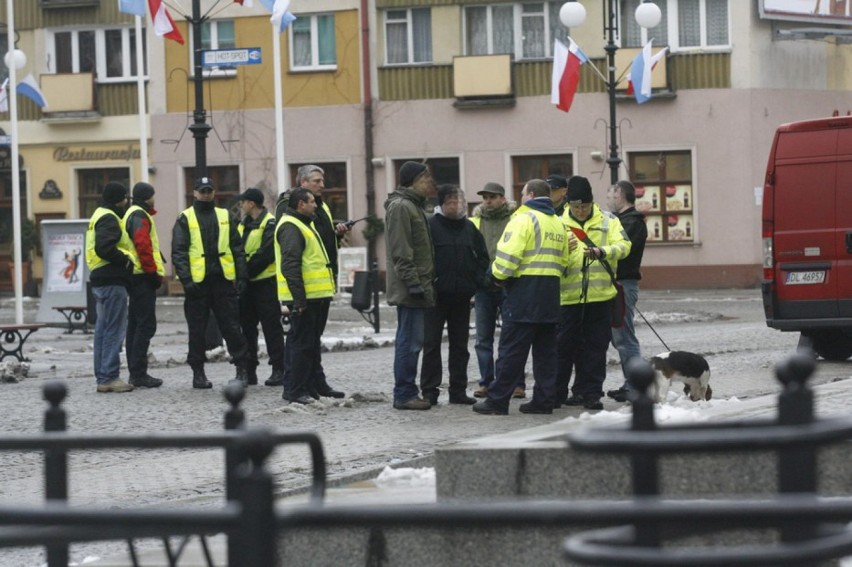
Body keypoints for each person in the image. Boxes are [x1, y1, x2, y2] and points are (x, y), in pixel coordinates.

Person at [472, 179, 577, 416]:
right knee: (546, 354)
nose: (519, 198)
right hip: (550, 293)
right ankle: (543, 400)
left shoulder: (523, 219)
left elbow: (508, 256)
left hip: (524, 292)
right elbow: (565, 261)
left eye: (522, 194)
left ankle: (497, 400)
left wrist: (496, 276)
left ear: (530, 195)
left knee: (512, 350)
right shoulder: (558, 223)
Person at [557, 176, 631, 410]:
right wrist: (561, 251)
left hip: (600, 297)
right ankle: (557, 393)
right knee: (563, 348)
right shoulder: (558, 223)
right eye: (576, 206)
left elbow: (625, 246)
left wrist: (603, 251)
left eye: (584, 206)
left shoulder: (609, 221)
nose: (580, 211)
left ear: (592, 203)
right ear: (568, 204)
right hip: (567, 299)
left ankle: (590, 393)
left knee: (595, 349)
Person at [171, 176, 250, 389]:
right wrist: (186, 280)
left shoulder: (224, 215)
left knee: (232, 327)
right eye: (202, 191)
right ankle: (198, 373)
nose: (206, 194)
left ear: (213, 193)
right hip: (198, 283)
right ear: (195, 193)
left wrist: (242, 276)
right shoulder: (185, 218)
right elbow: (179, 252)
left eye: (209, 190)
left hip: (223, 281)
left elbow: (237, 248)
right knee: (197, 330)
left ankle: (242, 369)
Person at [277, 165, 347, 397]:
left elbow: (320, 246)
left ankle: (314, 384)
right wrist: (298, 298)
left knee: (311, 342)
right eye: (317, 181)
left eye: (322, 180)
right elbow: (291, 260)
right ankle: (296, 388)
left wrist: (337, 235)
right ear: (303, 183)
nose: (322, 185)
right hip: (305, 291)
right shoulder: (291, 217)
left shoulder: (319, 208)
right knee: (301, 342)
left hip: (319, 288)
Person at [420, 184, 489, 406]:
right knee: (431, 345)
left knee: (460, 347)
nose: (456, 206)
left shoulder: (470, 228)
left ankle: (458, 390)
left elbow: (483, 258)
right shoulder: (430, 226)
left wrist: (476, 282)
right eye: (451, 202)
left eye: (459, 202)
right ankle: (430, 391)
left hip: (462, 297)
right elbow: (421, 258)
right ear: (441, 204)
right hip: (435, 297)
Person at [385, 161, 436, 411]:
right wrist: (413, 283)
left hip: (419, 285)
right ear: (413, 180)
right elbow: (401, 251)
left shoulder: (414, 206)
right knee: (409, 342)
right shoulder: (401, 207)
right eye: (426, 178)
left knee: (414, 341)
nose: (430, 183)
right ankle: (404, 392)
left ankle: (407, 390)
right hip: (410, 288)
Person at [469, 182, 525, 400]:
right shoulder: (475, 222)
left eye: (492, 197)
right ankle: (486, 382)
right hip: (484, 287)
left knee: (512, 337)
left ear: (503, 198)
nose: (488, 201)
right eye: (485, 197)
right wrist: (478, 278)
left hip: (509, 285)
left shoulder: (516, 220)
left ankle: (517, 383)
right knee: (483, 338)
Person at [86, 181, 135, 393]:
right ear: (119, 199)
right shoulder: (109, 217)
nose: (126, 202)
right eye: (125, 198)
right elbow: (104, 247)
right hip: (112, 280)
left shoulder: (98, 214)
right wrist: (124, 260)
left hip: (100, 279)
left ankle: (103, 376)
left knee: (103, 330)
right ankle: (109, 377)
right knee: (114, 330)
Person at [236, 187, 286, 387]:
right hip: (247, 285)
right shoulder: (242, 225)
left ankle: (278, 369)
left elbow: (266, 254)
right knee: (247, 329)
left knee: (271, 328)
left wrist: (244, 272)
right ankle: (249, 371)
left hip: (265, 283)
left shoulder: (269, 223)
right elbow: (237, 251)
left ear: (252, 204)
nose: (241, 205)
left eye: (243, 202)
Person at [605, 180, 649, 402]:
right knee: (618, 336)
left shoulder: (631, 222)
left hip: (623, 284)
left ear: (620, 195)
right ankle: (631, 383)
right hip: (617, 284)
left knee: (624, 337)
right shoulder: (625, 221)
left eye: (610, 195)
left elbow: (622, 253)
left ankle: (636, 384)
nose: (607, 199)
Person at [124, 182, 164, 389]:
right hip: (142, 275)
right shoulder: (139, 215)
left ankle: (135, 370)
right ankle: (138, 372)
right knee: (145, 324)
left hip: (135, 275)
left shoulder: (133, 213)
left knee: (135, 324)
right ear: (148, 197)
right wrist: (152, 273)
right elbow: (143, 245)